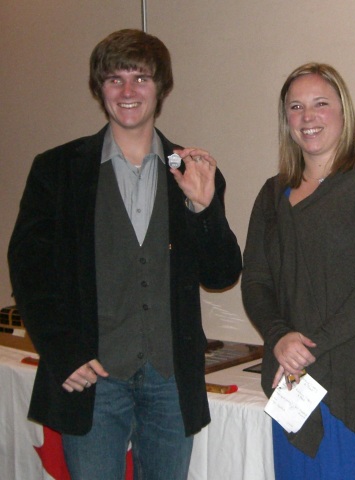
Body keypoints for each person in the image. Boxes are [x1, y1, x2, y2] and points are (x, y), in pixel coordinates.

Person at [8, 29, 242, 479]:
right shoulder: (57, 170)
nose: (128, 91)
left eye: (141, 78)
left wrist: (204, 207)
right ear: (100, 89)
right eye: (115, 79)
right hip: (93, 378)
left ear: (161, 88)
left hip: (171, 382)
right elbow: (30, 273)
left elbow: (221, 272)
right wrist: (62, 351)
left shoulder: (193, 170)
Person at [241, 63, 355, 479]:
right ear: (286, 120)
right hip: (295, 378)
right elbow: (255, 280)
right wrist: (278, 337)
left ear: (343, 111)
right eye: (296, 107)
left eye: (320, 104)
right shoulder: (272, 195)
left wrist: (310, 345)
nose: (308, 117)